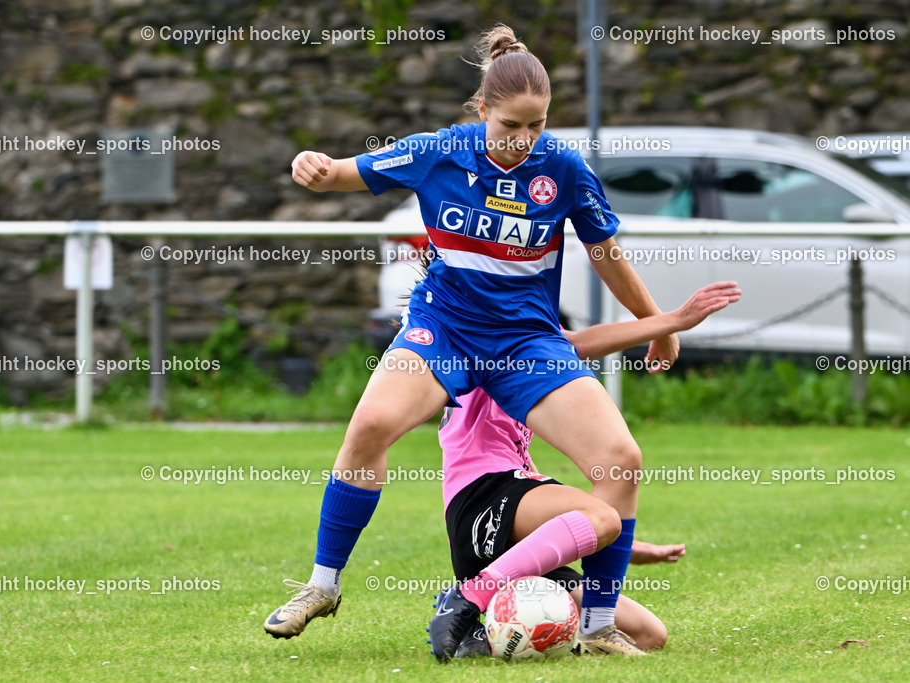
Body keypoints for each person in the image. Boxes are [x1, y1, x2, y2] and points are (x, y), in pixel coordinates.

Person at [265, 25, 680, 658]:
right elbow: (342, 174)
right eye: (511, 124)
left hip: (525, 341)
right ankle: (322, 586)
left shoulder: (564, 168)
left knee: (620, 459)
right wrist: (314, 168)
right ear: (482, 109)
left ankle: (597, 628)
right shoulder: (439, 151)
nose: (523, 139)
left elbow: (606, 253)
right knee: (370, 426)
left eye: (537, 125)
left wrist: (658, 324)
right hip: (446, 328)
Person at [435, 282, 741, 658]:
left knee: (648, 634)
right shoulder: (481, 330)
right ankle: (467, 598)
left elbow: (577, 343)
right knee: (603, 513)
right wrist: (673, 321)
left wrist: (624, 546)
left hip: (511, 524)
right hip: (482, 499)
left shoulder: (516, 344)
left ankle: (483, 639)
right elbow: (582, 342)